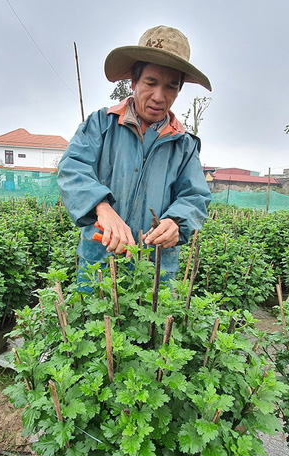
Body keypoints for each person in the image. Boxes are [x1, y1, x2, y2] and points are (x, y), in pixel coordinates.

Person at [57, 25, 212, 284]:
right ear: (134, 81)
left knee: (157, 325)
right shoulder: (101, 124)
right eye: (151, 83)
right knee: (95, 321)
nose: (159, 97)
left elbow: (196, 196)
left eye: (171, 87)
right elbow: (72, 168)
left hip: (157, 267)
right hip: (99, 257)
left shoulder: (183, 145)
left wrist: (176, 221)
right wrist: (101, 206)